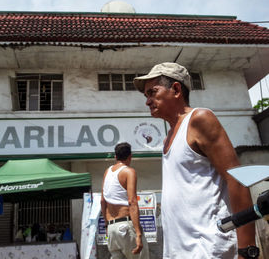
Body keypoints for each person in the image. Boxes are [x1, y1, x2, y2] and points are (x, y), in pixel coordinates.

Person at [133, 62, 257, 259]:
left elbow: (237, 180)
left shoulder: (199, 119)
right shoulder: (167, 139)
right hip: (180, 251)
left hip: (208, 248)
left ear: (175, 90)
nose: (148, 101)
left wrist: (247, 249)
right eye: (146, 95)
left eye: (152, 92)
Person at [101, 142, 149, 259]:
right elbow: (132, 201)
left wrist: (107, 226)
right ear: (130, 156)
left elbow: (103, 201)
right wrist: (138, 233)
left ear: (115, 157)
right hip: (126, 227)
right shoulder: (129, 171)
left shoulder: (107, 172)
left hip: (112, 229)